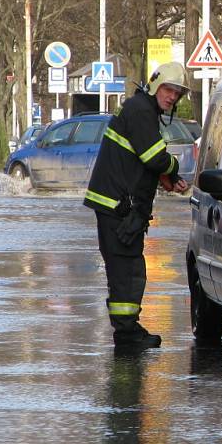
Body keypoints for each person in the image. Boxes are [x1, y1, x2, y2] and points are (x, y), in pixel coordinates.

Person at [84, 62, 189, 349]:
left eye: (177, 94)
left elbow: (142, 161)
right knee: (126, 270)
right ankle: (126, 334)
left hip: (119, 204)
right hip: (119, 206)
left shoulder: (141, 109)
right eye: (169, 90)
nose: (172, 97)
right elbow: (155, 157)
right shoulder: (141, 111)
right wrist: (174, 167)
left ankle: (128, 329)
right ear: (155, 86)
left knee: (127, 269)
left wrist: (166, 177)